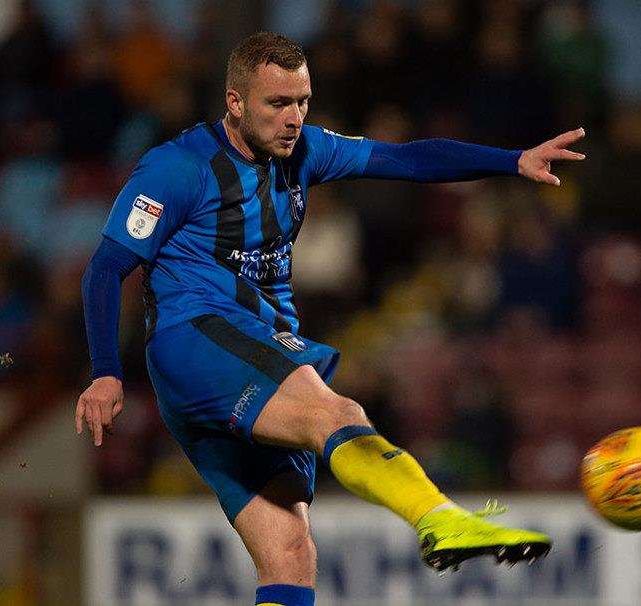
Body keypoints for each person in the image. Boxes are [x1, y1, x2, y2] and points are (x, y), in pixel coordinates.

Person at [75, 32, 586, 606]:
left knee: (291, 555)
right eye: (278, 104)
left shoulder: (307, 150)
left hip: (241, 353)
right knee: (336, 412)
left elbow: (406, 157)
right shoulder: (176, 169)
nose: (294, 119)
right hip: (198, 340)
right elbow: (105, 268)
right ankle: (441, 519)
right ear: (235, 102)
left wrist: (512, 160)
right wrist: (104, 371)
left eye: (302, 102)